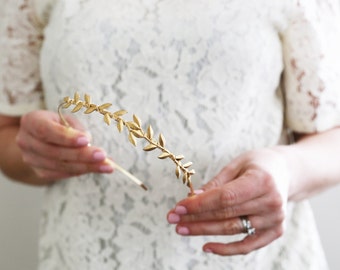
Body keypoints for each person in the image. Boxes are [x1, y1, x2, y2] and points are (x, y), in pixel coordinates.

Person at [1, 0, 340, 269]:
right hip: (86, 255)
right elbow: (7, 134)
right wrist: (34, 152)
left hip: (258, 261)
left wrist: (285, 170)